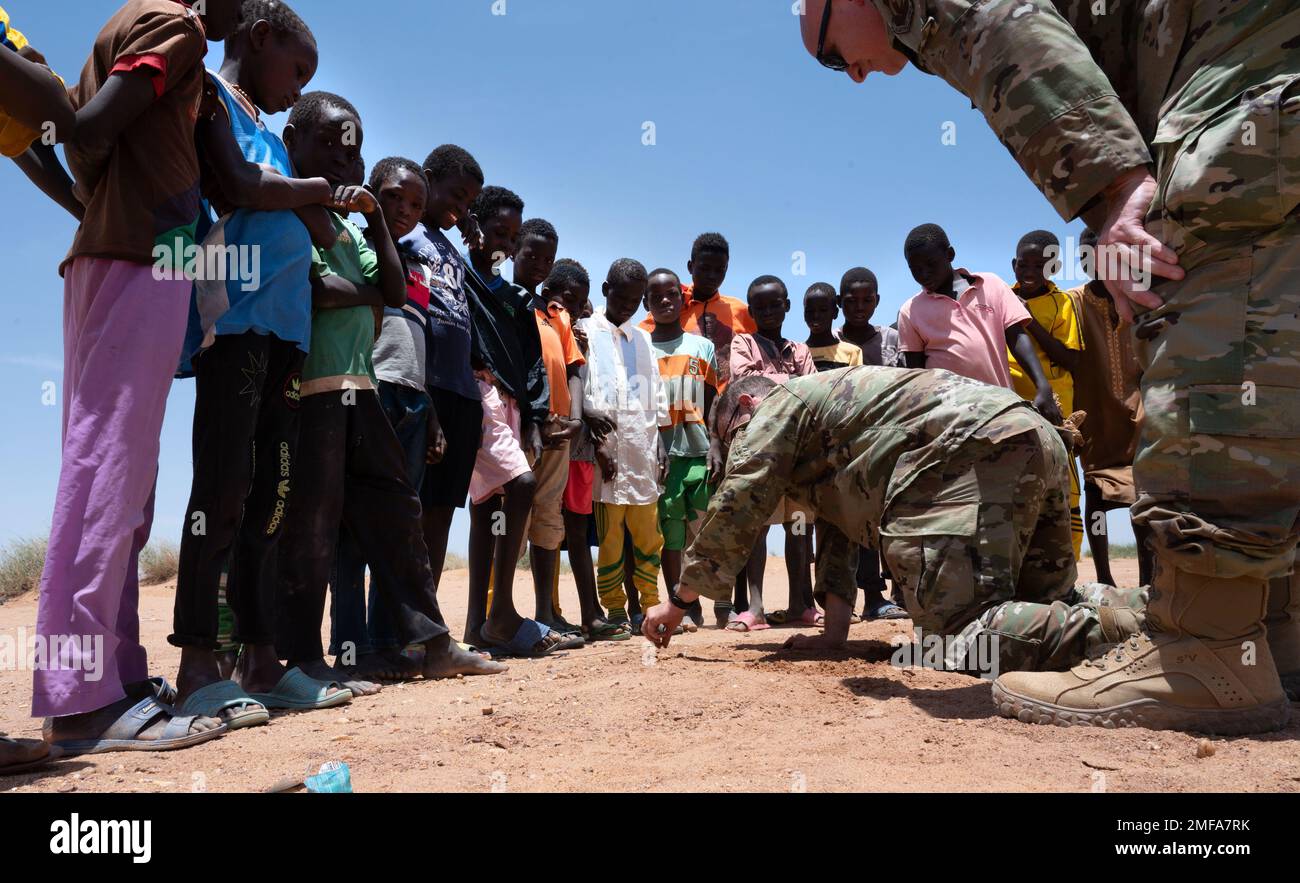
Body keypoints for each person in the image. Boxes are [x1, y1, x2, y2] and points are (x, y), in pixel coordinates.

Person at [799, 0, 1298, 734]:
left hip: (1239, 65)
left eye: (833, 54)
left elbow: (1003, 25)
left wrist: (1114, 193)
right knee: (1277, 326)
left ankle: (1208, 644)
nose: (853, 76)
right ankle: (1275, 636)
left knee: (1212, 298)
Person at [33, 0, 245, 759]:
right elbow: (88, 129)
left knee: (123, 480)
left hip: (126, 253)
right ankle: (80, 702)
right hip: (139, 258)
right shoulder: (178, 24)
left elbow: (79, 142)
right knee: (107, 475)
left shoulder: (136, 19)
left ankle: (114, 681)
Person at [643, 367, 1147, 679]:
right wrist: (834, 634)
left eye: (730, 437)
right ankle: (1163, 610)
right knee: (1044, 602)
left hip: (976, 446)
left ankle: (1136, 634)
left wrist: (679, 601)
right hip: (1032, 436)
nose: (734, 450)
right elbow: (838, 527)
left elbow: (738, 502)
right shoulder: (831, 429)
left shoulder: (778, 405)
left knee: (956, 638)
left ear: (746, 406)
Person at [274, 93, 505, 691]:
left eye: (353, 161)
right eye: (336, 157)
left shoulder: (355, 229)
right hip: (320, 386)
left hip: (365, 388)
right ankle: (327, 654)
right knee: (328, 526)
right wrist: (373, 295)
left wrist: (375, 220)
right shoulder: (295, 210)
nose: (345, 171)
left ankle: (429, 641)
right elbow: (318, 290)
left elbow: (395, 290)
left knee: (396, 515)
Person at [170, 0, 341, 724]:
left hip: (287, 335)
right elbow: (238, 187)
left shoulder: (271, 134)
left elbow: (325, 232)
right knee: (224, 487)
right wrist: (309, 193)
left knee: (271, 495)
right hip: (235, 327)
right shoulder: (211, 99)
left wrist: (305, 199)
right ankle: (197, 659)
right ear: (259, 38)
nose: (298, 87)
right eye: (296, 69)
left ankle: (262, 657)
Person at [329, 156, 435, 682]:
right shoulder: (354, 240)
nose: (405, 210)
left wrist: (430, 409)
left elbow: (420, 337)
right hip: (368, 392)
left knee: (398, 525)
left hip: (413, 399)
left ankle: (390, 640)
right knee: (354, 527)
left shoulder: (415, 265)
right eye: (394, 197)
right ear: (372, 191)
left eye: (416, 204)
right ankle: (351, 645)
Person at [460, 190, 562, 656]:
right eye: (496, 233)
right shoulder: (459, 277)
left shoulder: (517, 298)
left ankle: (475, 626)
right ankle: (502, 613)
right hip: (477, 396)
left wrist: (535, 419)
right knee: (520, 487)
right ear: (473, 227)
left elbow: (534, 364)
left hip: (513, 405)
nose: (502, 243)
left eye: (510, 236)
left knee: (490, 509)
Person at [405, 146, 486, 586]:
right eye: (455, 194)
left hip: (461, 392)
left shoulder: (451, 250)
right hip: (426, 384)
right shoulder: (408, 233)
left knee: (440, 515)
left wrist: (470, 234)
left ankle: (430, 623)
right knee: (415, 509)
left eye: (469, 203)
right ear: (428, 178)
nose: (460, 207)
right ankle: (402, 627)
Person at [899, 223, 1064, 427]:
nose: (924, 274)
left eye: (931, 264)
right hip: (950, 419)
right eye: (915, 269)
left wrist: (1043, 386)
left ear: (950, 254)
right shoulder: (910, 310)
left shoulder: (990, 284)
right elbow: (917, 375)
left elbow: (1016, 336)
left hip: (1001, 409)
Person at [581, 259, 671, 631]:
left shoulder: (644, 339)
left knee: (650, 536)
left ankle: (651, 606)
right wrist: (598, 442)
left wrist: (662, 444)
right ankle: (615, 608)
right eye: (622, 298)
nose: (629, 306)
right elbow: (582, 388)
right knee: (611, 539)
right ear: (605, 290)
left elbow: (657, 394)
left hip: (643, 451)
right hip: (608, 456)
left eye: (637, 300)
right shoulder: (585, 330)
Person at [1065, 228, 1152, 589]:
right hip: (1096, 414)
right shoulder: (1074, 302)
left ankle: (1149, 578)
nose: (1092, 264)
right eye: (1085, 256)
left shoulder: (1140, 298)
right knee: (1097, 494)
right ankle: (1103, 578)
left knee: (1142, 499)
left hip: (1141, 412)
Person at [729, 275, 817, 631]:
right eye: (760, 306)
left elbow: (813, 391)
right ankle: (755, 607)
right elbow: (747, 384)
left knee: (799, 526)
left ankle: (802, 604)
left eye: (775, 304)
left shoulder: (800, 349)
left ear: (787, 306)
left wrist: (777, 387)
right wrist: (793, 385)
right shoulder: (742, 342)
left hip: (797, 449)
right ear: (751, 311)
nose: (768, 311)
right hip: (757, 448)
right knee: (758, 527)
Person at [548, 260, 629, 641]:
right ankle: (546, 613)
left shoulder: (585, 334)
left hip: (579, 446)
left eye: (582, 301)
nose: (576, 307)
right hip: (551, 435)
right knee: (545, 526)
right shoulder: (542, 323)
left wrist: (590, 421)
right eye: (570, 298)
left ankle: (589, 613)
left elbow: (586, 380)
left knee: (577, 530)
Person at [516, 219, 586, 635]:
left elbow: (574, 368)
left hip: (560, 427)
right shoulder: (506, 302)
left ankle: (546, 613)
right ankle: (496, 615)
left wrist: (575, 419)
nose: (541, 264)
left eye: (548, 258)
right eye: (532, 255)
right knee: (512, 517)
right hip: (524, 426)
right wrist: (531, 421)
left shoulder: (556, 313)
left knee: (549, 518)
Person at [646, 269, 720, 632]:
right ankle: (680, 605)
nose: (664, 301)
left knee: (703, 531)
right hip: (660, 455)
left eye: (671, 294)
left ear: (682, 299)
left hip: (699, 449)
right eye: (656, 295)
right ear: (646, 302)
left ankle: (712, 603)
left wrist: (716, 445)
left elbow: (713, 401)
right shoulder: (640, 346)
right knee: (670, 535)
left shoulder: (701, 346)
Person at [835, 267, 908, 621]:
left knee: (895, 519)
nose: (859, 307)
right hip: (848, 449)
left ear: (877, 300)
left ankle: (900, 593)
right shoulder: (830, 341)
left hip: (891, 443)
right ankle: (868, 597)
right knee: (858, 524)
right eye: (851, 301)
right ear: (840, 303)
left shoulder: (892, 340)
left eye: (867, 300)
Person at [1008, 229, 1084, 559]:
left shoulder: (1062, 304)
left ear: (1053, 268)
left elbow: (1071, 359)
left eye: (1040, 265)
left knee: (1062, 484)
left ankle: (1066, 564)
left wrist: (1028, 322)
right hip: (1010, 404)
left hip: (1053, 409)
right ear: (1013, 265)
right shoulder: (1000, 298)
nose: (1029, 271)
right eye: (1024, 264)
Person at [0, 5, 81, 220]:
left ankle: (93, 219)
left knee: (49, 139)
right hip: (23, 94)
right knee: (65, 131)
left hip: (20, 112)